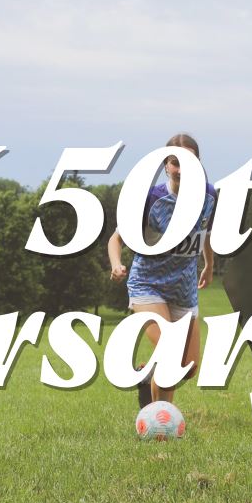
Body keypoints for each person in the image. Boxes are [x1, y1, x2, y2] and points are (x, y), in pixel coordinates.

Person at [107, 133, 215, 407]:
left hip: (184, 288)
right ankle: (160, 425)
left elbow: (205, 232)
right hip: (148, 284)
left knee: (188, 368)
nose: (180, 167)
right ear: (166, 165)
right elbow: (116, 238)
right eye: (174, 161)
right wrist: (117, 264)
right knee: (169, 353)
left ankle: (148, 376)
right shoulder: (150, 199)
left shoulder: (209, 195)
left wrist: (209, 264)